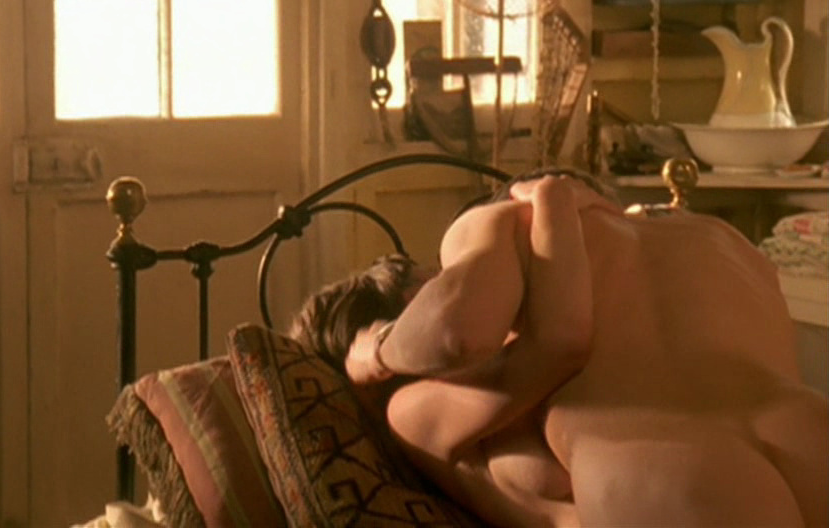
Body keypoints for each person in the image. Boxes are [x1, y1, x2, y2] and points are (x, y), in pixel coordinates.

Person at [289, 168, 829, 528]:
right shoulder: (713, 236)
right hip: (806, 424)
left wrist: (375, 353)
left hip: (663, 472)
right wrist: (554, 200)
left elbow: (528, 337)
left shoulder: (511, 245)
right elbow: (465, 333)